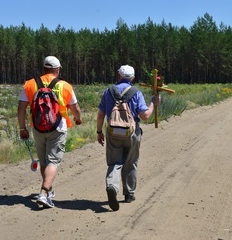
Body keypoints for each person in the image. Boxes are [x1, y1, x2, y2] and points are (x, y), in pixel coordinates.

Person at [17, 56, 82, 209]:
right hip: (58, 128)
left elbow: (21, 108)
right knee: (53, 161)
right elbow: (75, 108)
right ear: (57, 70)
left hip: (38, 127)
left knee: (44, 161)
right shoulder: (65, 86)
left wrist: (22, 128)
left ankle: (49, 191)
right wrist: (78, 119)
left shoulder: (30, 84)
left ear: (44, 69)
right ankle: (44, 192)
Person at [96, 65, 160, 211]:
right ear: (133, 78)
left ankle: (112, 186)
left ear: (118, 75)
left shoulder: (108, 91)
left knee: (114, 163)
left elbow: (100, 115)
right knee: (131, 162)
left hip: (112, 132)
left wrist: (99, 132)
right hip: (131, 133)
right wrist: (152, 104)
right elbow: (145, 116)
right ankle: (129, 194)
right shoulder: (136, 92)